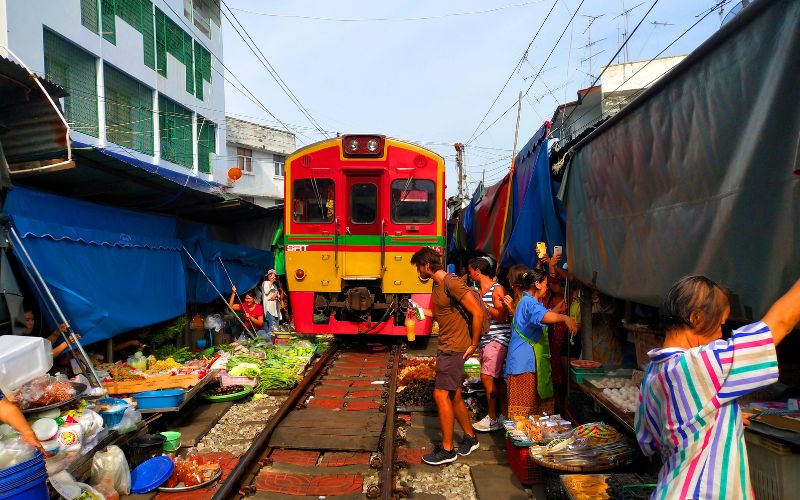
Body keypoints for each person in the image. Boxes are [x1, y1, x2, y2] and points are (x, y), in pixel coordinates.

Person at [636, 276, 800, 499]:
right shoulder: (698, 365)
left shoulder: (652, 374)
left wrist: (725, 417)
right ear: (696, 318)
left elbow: (650, 441)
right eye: (721, 324)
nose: (722, 334)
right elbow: (782, 321)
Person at [411, 247, 484, 465]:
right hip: (448, 344)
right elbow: (444, 313)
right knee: (454, 395)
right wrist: (422, 312)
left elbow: (478, 312)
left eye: (418, 267)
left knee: (441, 394)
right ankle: (470, 437)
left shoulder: (451, 283)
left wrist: (473, 343)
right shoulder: (437, 285)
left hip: (455, 347)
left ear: (426, 265)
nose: (418, 272)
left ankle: (447, 449)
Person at [504, 269, 578, 418]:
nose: (547, 287)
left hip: (527, 363)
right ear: (537, 284)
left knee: (534, 415)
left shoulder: (527, 301)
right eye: (545, 284)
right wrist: (565, 318)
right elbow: (543, 315)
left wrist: (558, 311)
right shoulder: (528, 302)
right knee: (524, 415)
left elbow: (541, 314)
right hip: (524, 365)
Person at [467, 256, 511, 432]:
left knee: (487, 377)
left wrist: (483, 306)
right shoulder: (477, 291)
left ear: (478, 271)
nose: (469, 274)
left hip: (497, 339)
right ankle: (504, 416)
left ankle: (492, 418)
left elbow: (502, 316)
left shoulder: (497, 289)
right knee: (498, 379)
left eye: (470, 271)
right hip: (486, 341)